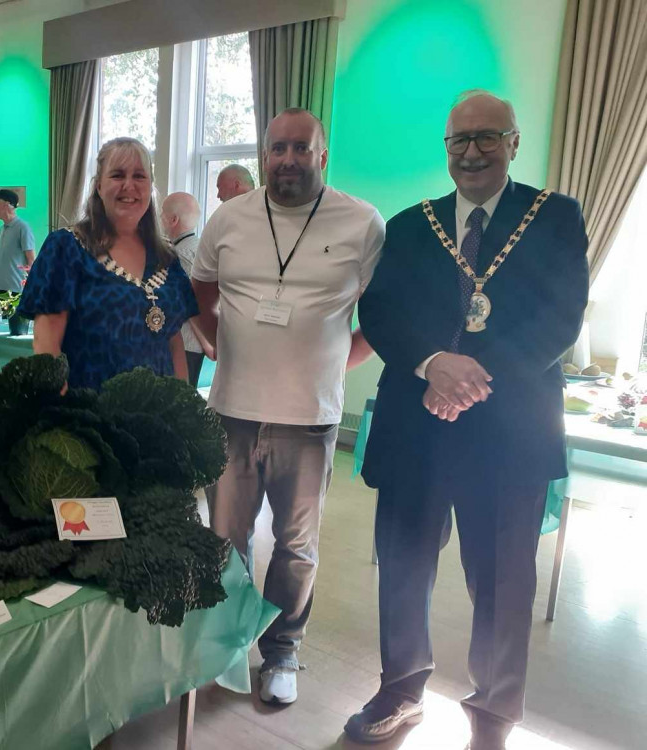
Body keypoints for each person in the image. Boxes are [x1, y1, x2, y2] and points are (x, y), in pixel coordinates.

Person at [344, 91, 589, 750]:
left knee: (504, 585)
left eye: (487, 138)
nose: (473, 152)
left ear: (514, 142)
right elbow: (383, 313)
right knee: (401, 569)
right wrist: (431, 363)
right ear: (446, 149)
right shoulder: (410, 224)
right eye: (460, 141)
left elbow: (561, 317)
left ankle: (492, 719)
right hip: (415, 431)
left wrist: (472, 379)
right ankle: (400, 691)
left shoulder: (556, 218)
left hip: (509, 434)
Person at [192, 108, 384, 705]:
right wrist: (218, 346)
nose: (288, 160)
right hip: (232, 411)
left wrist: (331, 365)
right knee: (225, 537)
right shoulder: (229, 218)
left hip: (311, 419)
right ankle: (225, 644)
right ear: (263, 156)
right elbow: (201, 288)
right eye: (277, 149)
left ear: (322, 156)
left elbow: (381, 316)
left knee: (297, 548)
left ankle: (282, 652)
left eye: (301, 148)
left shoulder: (362, 223)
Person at [19, 137, 198, 390]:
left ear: (150, 186)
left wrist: (185, 408)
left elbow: (173, 341)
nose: (129, 185)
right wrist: (61, 416)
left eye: (139, 176)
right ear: (99, 186)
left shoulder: (166, 258)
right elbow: (46, 347)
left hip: (158, 420)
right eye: (117, 175)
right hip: (90, 416)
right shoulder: (67, 248)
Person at [159, 191, 206, 387]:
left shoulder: (179, 256)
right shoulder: (203, 249)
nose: (159, 218)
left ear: (173, 219)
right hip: (196, 343)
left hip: (184, 343)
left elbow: (188, 303)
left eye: (162, 213)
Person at [0, 189, 35, 294]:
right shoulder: (2, 229)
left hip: (15, 291)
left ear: (6, 204)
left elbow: (31, 261)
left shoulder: (23, 228)